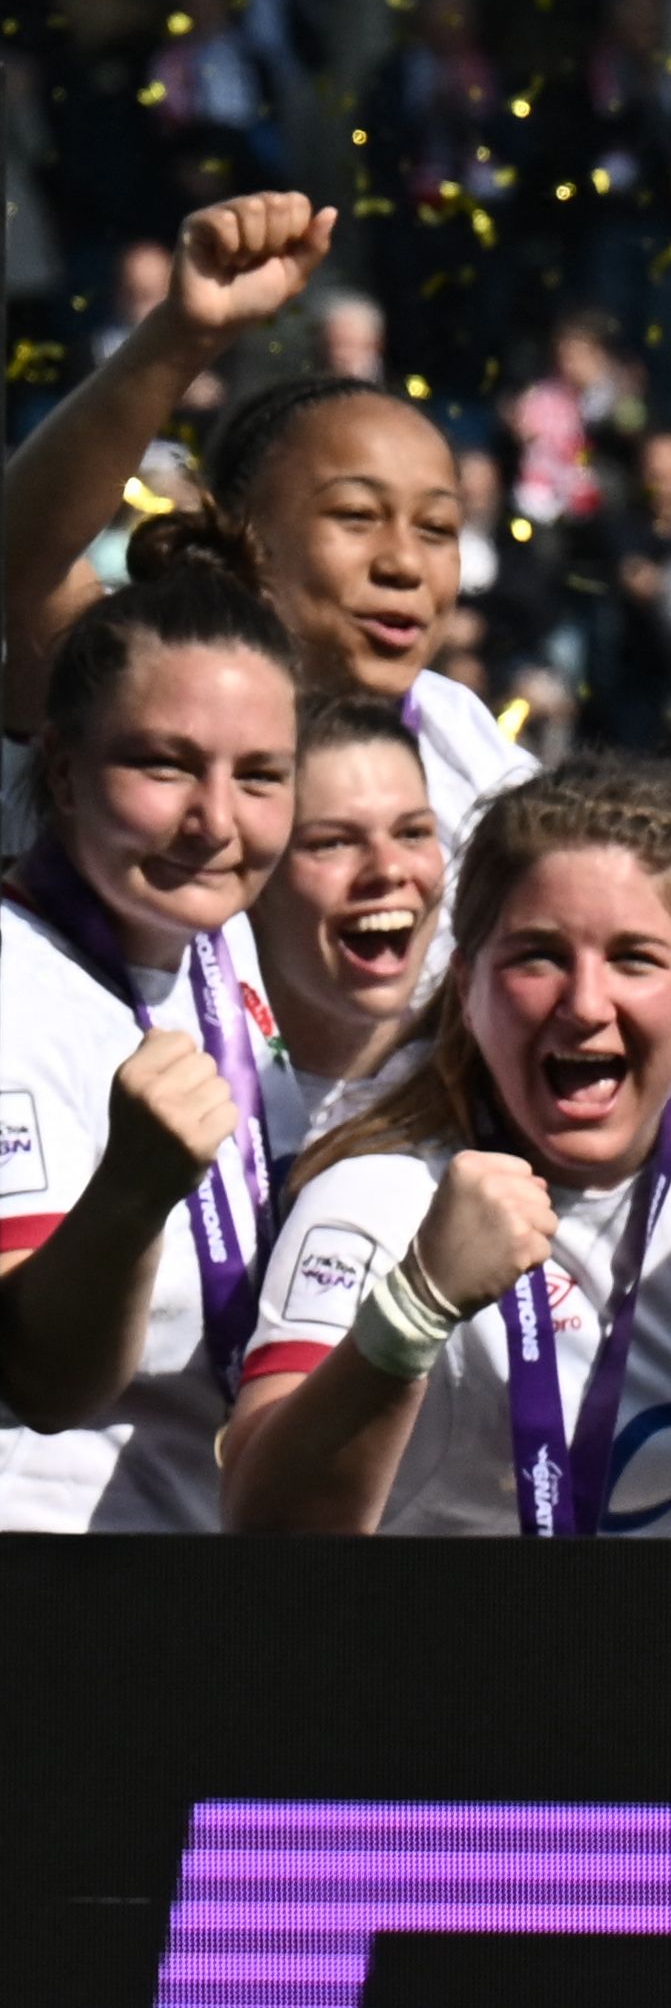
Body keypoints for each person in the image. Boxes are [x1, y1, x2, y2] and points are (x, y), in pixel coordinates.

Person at [224, 774, 671, 1539]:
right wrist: (416, 1306)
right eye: (539, 957)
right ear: (468, 984)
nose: (585, 1003)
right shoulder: (383, 1193)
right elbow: (257, 1520)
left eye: (634, 958)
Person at [0, 192, 530, 871]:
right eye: (357, 516)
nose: (404, 563)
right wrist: (180, 335)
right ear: (238, 528)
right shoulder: (131, 691)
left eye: (437, 528)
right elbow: (29, 556)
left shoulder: (467, 743)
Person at [0, 549, 295, 1530]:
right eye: (164, 764)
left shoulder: (216, 938)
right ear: (65, 774)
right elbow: (43, 1380)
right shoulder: (15, 980)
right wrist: (130, 1194)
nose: (215, 822)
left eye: (261, 776)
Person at [250, 689, 445, 1147]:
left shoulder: (500, 1083)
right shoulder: (193, 1093)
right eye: (333, 842)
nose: (389, 869)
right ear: (255, 881)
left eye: (413, 833)